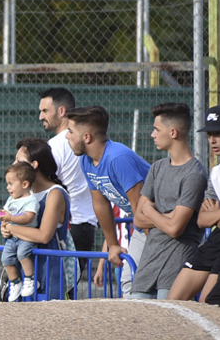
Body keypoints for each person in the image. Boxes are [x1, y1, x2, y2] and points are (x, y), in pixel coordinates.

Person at [65, 105, 150, 294]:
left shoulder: (117, 158)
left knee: (155, 284)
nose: (66, 136)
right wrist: (113, 245)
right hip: (146, 227)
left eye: (70, 131)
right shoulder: (86, 160)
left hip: (163, 224)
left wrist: (158, 247)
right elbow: (101, 203)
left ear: (86, 137)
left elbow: (140, 206)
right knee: (129, 281)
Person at [127, 103, 206, 300]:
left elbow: (175, 229)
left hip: (177, 264)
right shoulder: (157, 168)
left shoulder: (194, 174)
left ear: (173, 132)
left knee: (168, 324)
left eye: (156, 129)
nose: (152, 135)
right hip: (148, 263)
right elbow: (137, 220)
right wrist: (167, 216)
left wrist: (151, 211)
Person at [165, 104, 220, 302]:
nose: (212, 140)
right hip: (217, 237)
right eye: (209, 134)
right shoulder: (216, 172)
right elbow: (203, 219)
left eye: (218, 134)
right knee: (174, 300)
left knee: (208, 303)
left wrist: (217, 215)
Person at [7, 139, 75, 300]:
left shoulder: (54, 193)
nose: (13, 164)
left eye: (19, 161)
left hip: (48, 274)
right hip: (24, 273)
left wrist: (11, 228)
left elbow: (44, 235)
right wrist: (6, 227)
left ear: (34, 165)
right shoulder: (22, 193)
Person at [38, 88, 98, 254]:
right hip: (86, 226)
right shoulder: (87, 141)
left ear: (62, 111)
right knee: (70, 280)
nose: (40, 116)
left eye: (44, 111)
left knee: (54, 280)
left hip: (65, 228)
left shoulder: (55, 145)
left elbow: (43, 187)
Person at [0, 162, 40, 302]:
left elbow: (28, 217)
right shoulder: (11, 199)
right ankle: (15, 282)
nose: (7, 187)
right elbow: (7, 213)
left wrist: (10, 218)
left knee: (23, 254)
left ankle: (30, 279)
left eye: (10, 183)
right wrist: (3, 216)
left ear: (25, 184)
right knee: (6, 258)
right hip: (12, 237)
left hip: (26, 236)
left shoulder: (31, 200)